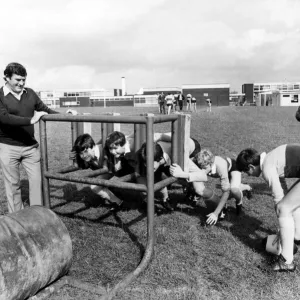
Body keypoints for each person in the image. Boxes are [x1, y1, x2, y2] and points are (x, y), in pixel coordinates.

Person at [0, 62, 76, 213]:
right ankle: (17, 218)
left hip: (30, 147)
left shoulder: (31, 93)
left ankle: (37, 215)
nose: (21, 83)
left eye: (24, 80)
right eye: (17, 80)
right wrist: (31, 120)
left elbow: (44, 110)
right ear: (6, 78)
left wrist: (65, 115)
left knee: (36, 183)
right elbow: (4, 118)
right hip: (8, 147)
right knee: (13, 185)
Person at [236, 145, 300, 272]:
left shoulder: (267, 167)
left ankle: (286, 261)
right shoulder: (272, 158)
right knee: (289, 203)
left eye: (246, 172)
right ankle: (297, 237)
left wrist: (281, 228)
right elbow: (283, 193)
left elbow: (278, 200)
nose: (248, 175)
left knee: (283, 208)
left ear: (251, 167)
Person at [72, 131, 173, 211]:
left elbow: (155, 144)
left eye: (85, 152)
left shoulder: (134, 144)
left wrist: (158, 161)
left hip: (148, 161)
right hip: (129, 166)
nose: (83, 155)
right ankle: (119, 203)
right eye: (81, 153)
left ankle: (165, 198)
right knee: (95, 185)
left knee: (155, 179)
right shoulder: (106, 149)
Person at [136, 136, 203, 211]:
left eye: (151, 165)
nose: (148, 167)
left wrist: (182, 174)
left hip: (192, 148)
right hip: (163, 157)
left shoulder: (177, 154)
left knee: (186, 178)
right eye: (146, 163)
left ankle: (193, 193)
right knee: (157, 176)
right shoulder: (147, 154)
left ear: (160, 159)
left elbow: (201, 175)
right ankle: (165, 199)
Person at [192, 149, 252, 226]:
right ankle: (245, 186)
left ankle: (239, 203)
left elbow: (226, 192)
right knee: (230, 187)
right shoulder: (197, 160)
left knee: (234, 190)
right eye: (201, 167)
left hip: (233, 168)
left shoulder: (220, 167)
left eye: (204, 167)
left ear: (211, 163)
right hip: (223, 168)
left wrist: (215, 213)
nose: (202, 170)